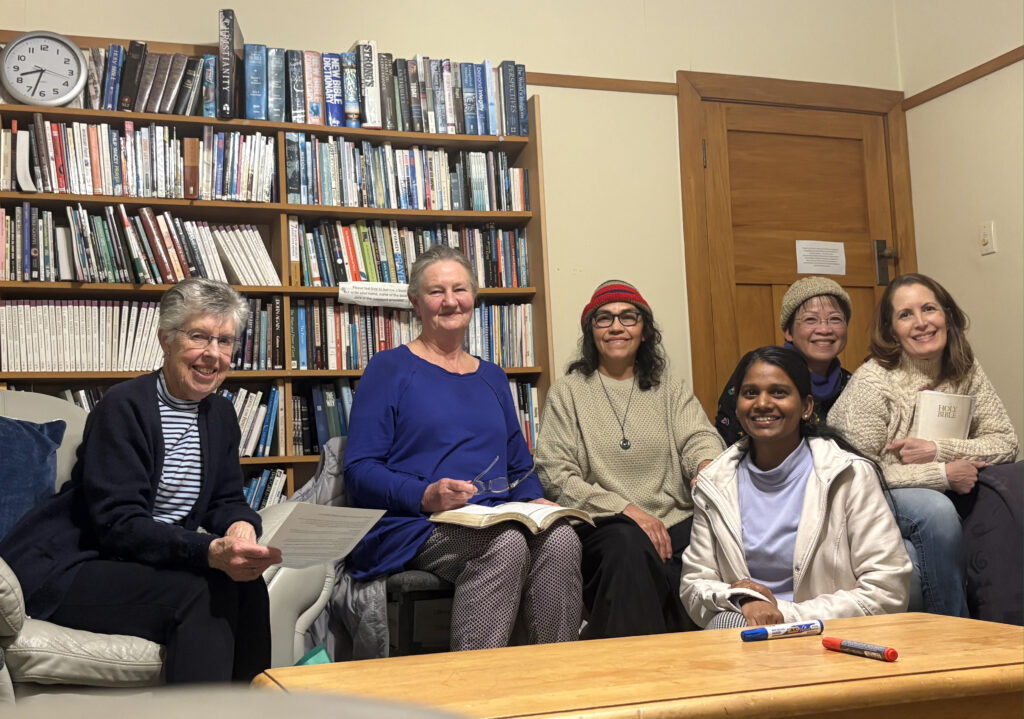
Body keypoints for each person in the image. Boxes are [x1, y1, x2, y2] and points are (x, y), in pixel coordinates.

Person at [0, 279, 281, 683]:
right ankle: (203, 713)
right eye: (199, 336)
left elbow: (226, 499)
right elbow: (118, 525)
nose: (213, 354)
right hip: (75, 564)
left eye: (224, 341)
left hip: (142, 561)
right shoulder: (123, 407)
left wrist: (241, 527)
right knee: (201, 592)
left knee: (249, 588)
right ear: (165, 339)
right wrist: (207, 551)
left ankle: (255, 707)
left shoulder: (220, 415)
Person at [343, 245, 582, 651]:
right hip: (416, 524)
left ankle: (552, 677)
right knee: (504, 544)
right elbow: (360, 469)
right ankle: (475, 681)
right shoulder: (389, 368)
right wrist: (425, 494)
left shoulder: (492, 376)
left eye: (459, 289)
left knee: (561, 540)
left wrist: (533, 500)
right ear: (415, 302)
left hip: (495, 517)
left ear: (474, 296)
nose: (450, 301)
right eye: (436, 292)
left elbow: (519, 465)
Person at [535, 280, 724, 639]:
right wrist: (626, 509)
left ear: (644, 330)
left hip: (674, 517)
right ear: (591, 331)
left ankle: (693, 662)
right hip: (604, 523)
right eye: (604, 318)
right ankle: (639, 664)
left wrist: (705, 466)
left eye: (628, 317)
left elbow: (699, 438)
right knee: (629, 546)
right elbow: (555, 475)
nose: (616, 327)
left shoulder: (670, 388)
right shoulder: (567, 392)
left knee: (704, 544)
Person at [829, 273, 1019, 617]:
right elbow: (855, 473)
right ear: (891, 331)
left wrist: (937, 450)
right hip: (864, 497)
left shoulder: (965, 369)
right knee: (936, 510)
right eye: (906, 315)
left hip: (937, 485)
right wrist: (941, 474)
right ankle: (954, 631)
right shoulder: (873, 382)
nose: (921, 323)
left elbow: (1005, 441)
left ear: (947, 314)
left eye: (929, 309)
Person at [681, 346, 910, 629]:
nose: (762, 403)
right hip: (744, 633)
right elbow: (694, 585)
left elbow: (888, 591)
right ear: (737, 407)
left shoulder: (849, 475)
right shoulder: (714, 482)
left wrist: (783, 615)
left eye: (779, 393)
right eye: (750, 393)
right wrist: (741, 600)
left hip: (830, 637)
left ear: (806, 407)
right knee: (726, 623)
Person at [716, 276, 852, 445]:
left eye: (835, 319)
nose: (824, 329)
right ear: (788, 332)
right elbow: (729, 437)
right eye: (810, 319)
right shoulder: (757, 372)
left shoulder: (854, 385)